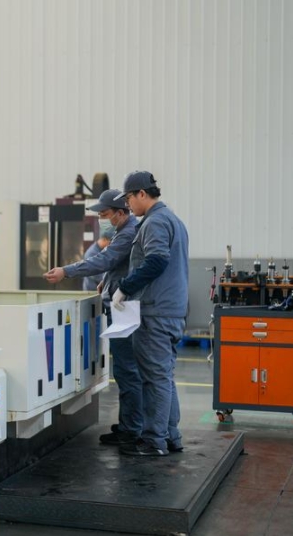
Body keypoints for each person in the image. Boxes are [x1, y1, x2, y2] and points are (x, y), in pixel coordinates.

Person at [43, 189, 142, 446]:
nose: (101, 220)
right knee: (126, 371)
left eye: (105, 214)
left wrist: (66, 271)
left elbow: (105, 260)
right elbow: (116, 265)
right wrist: (106, 283)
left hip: (124, 310)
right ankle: (130, 426)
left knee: (127, 371)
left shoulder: (128, 232)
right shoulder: (123, 231)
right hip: (121, 306)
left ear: (121, 212)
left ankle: (132, 430)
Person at [112, 171, 189, 457]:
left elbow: (156, 260)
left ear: (142, 194)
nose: (128, 205)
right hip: (171, 310)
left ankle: (154, 441)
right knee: (164, 376)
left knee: (154, 378)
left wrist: (125, 287)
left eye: (129, 198)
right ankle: (171, 436)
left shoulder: (155, 222)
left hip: (155, 311)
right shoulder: (174, 220)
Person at [81, 227, 114, 291]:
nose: (110, 245)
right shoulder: (92, 253)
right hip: (92, 290)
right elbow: (95, 274)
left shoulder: (103, 251)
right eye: (110, 243)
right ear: (104, 239)